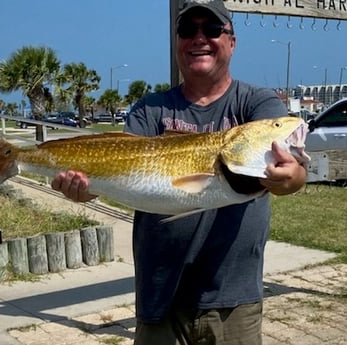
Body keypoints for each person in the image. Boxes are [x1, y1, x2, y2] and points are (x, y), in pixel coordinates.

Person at [52, 0, 307, 344]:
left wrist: (289, 177)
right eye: (188, 30)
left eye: (212, 30)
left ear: (232, 42)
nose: (199, 38)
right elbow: (124, 172)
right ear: (177, 44)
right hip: (160, 293)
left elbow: (292, 174)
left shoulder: (256, 104)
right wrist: (85, 187)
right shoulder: (149, 110)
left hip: (234, 299)